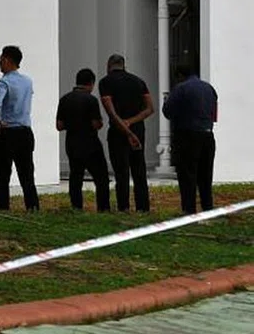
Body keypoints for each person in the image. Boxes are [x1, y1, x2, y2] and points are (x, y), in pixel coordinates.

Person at [98, 54, 154, 213]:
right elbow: (150, 109)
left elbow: (111, 112)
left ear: (109, 65)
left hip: (118, 132)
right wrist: (132, 122)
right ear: (124, 65)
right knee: (139, 170)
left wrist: (126, 128)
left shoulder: (105, 82)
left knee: (121, 171)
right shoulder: (139, 82)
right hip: (138, 130)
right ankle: (143, 207)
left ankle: (124, 207)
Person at [162, 65, 217, 214]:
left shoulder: (180, 89)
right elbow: (214, 115)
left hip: (187, 136)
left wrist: (166, 100)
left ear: (180, 75)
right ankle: (208, 207)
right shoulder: (209, 89)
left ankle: (189, 210)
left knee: (187, 175)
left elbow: (168, 112)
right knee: (205, 175)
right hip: (207, 135)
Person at [0, 45, 40, 211]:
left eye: (1, 60)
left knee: (3, 174)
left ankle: (3, 207)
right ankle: (32, 206)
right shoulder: (28, 81)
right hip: (25, 132)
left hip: (7, 132)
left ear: (7, 60)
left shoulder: (4, 81)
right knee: (27, 173)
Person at [56, 68, 112, 212]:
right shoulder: (91, 100)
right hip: (90, 144)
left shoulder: (65, 99)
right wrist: (99, 123)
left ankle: (76, 207)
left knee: (76, 177)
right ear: (91, 83)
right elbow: (96, 124)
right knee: (101, 178)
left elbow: (59, 126)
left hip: (72, 143)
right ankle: (103, 208)